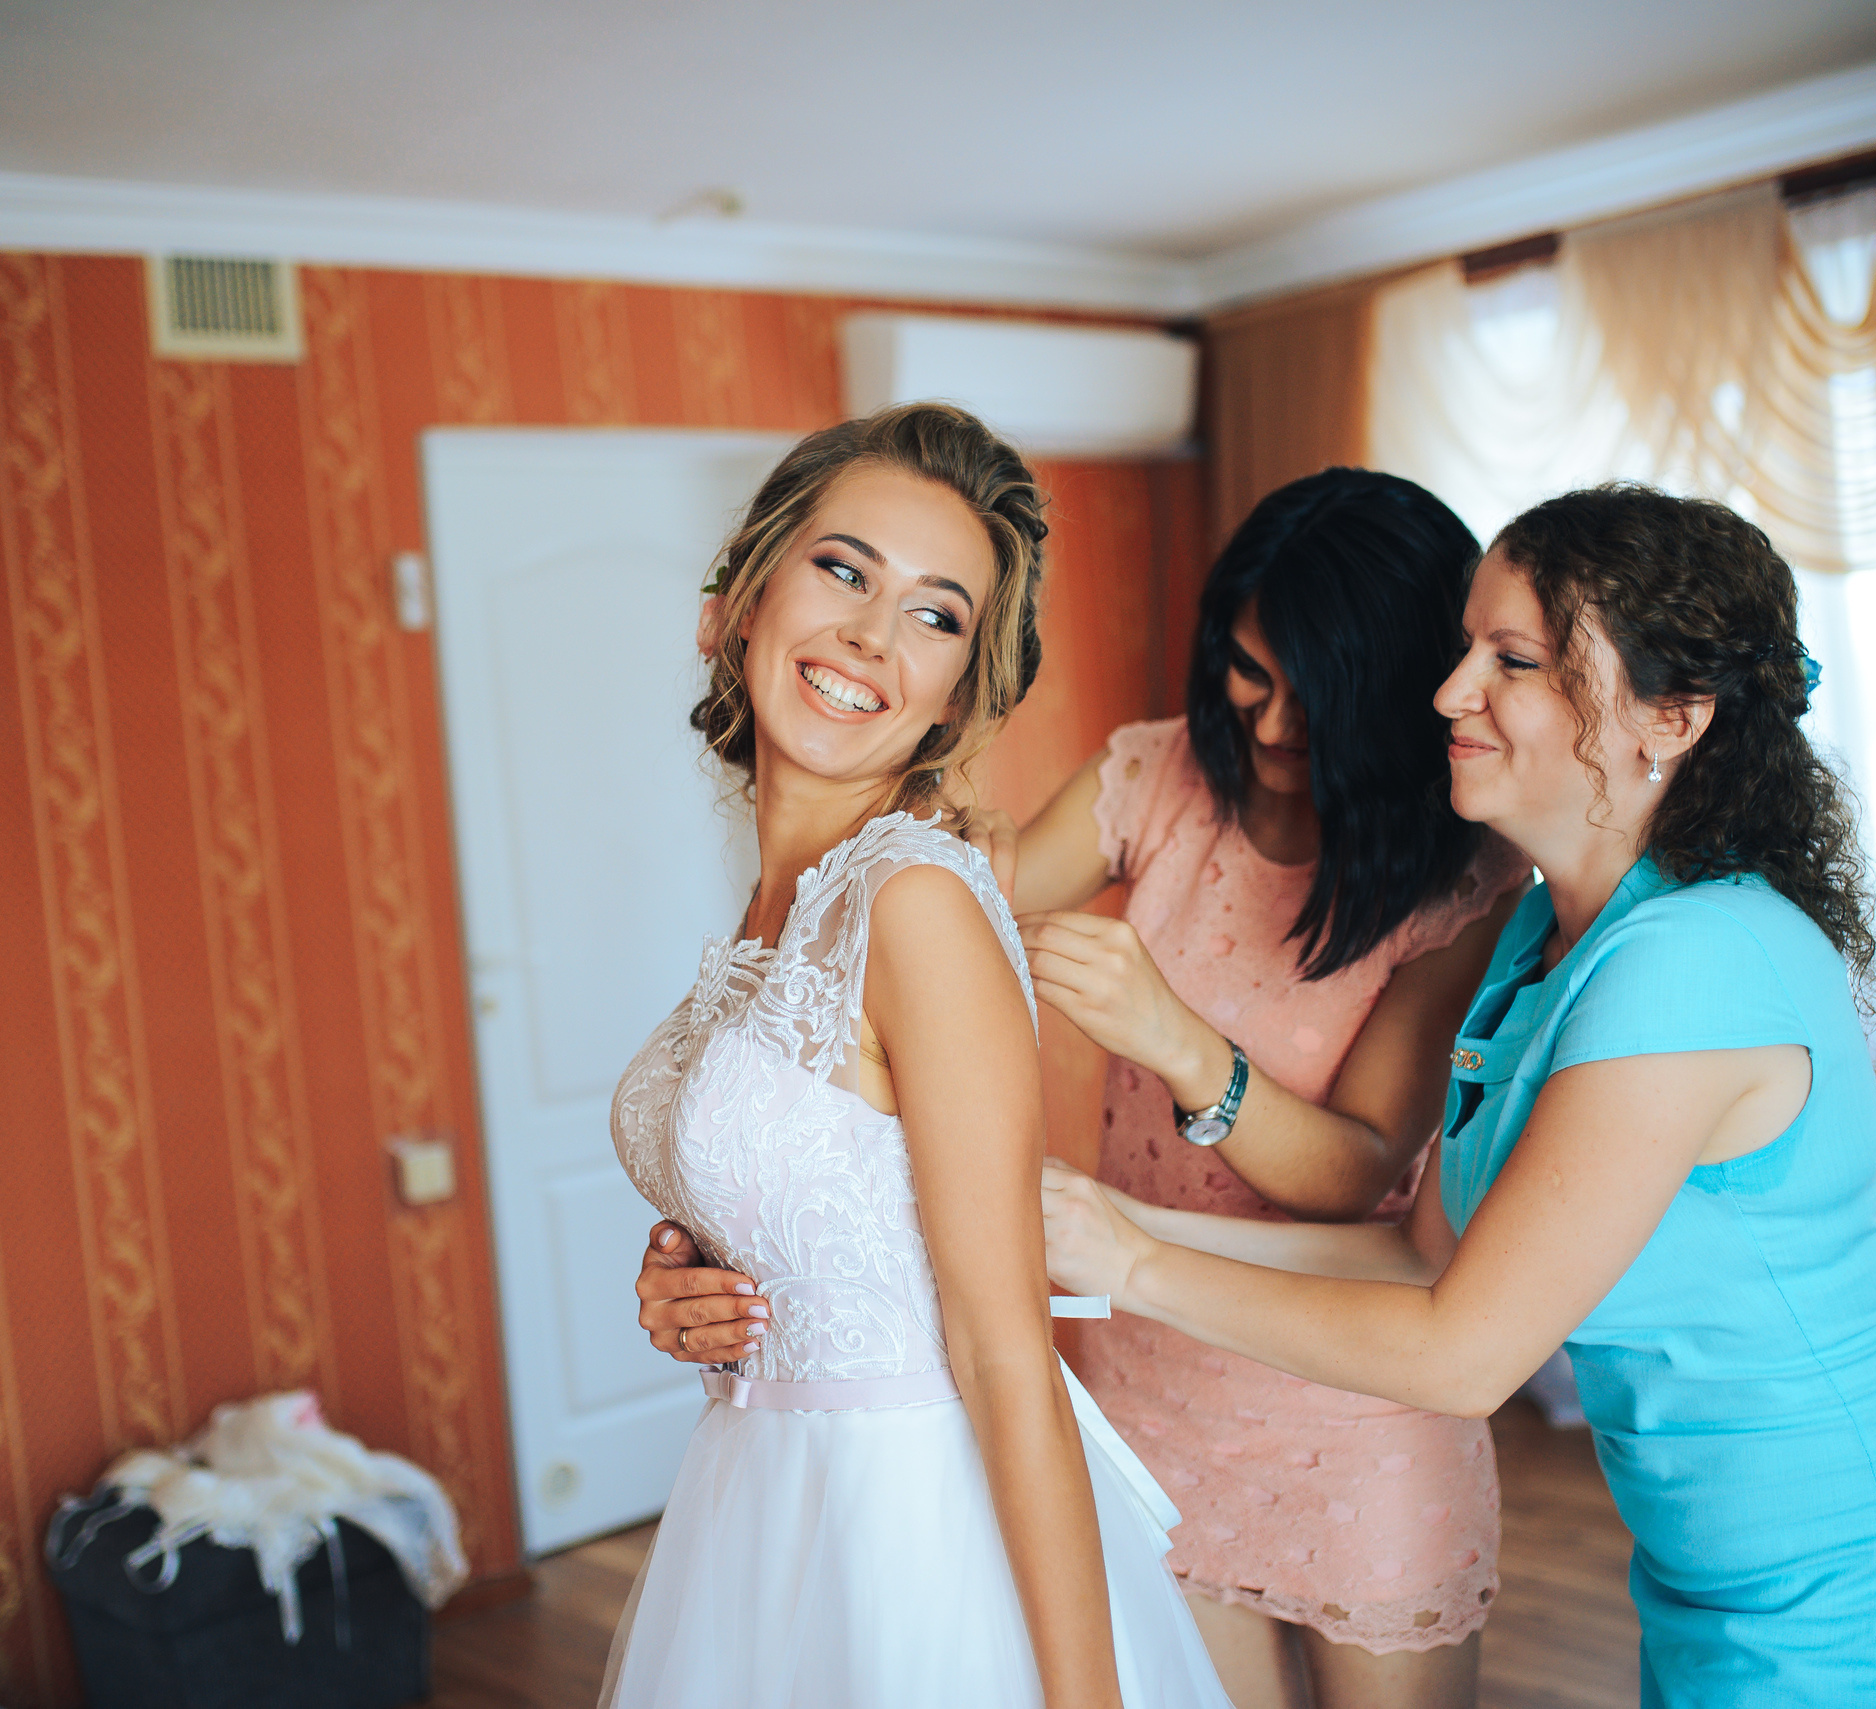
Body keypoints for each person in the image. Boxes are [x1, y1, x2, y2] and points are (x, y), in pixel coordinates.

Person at [1042, 485, 1876, 1706]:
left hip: (1853, 1571)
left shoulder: (1697, 960)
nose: (1449, 690)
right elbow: (1419, 1257)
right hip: (1706, 1571)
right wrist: (1106, 1224)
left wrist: (1133, 1269)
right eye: (1466, 648)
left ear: (1666, 718)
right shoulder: (1538, 934)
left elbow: (1461, 1352)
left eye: (1509, 659)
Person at [644, 468, 1528, 1709]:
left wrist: (1179, 1042)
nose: (1271, 727)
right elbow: (937, 918)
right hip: (1146, 1375)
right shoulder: (1160, 780)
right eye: (1247, 671)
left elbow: (1368, 1163)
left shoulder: (1466, 880)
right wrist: (754, 1206)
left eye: (1315, 698)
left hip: (1350, 1396)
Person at [603, 402, 1229, 1709]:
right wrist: (698, 1296)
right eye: (844, 569)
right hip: (761, 1502)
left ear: (959, 692)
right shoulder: (780, 910)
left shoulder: (913, 906)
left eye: (936, 616)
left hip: (910, 1537)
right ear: (742, 594)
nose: (871, 639)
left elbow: (1008, 1358)